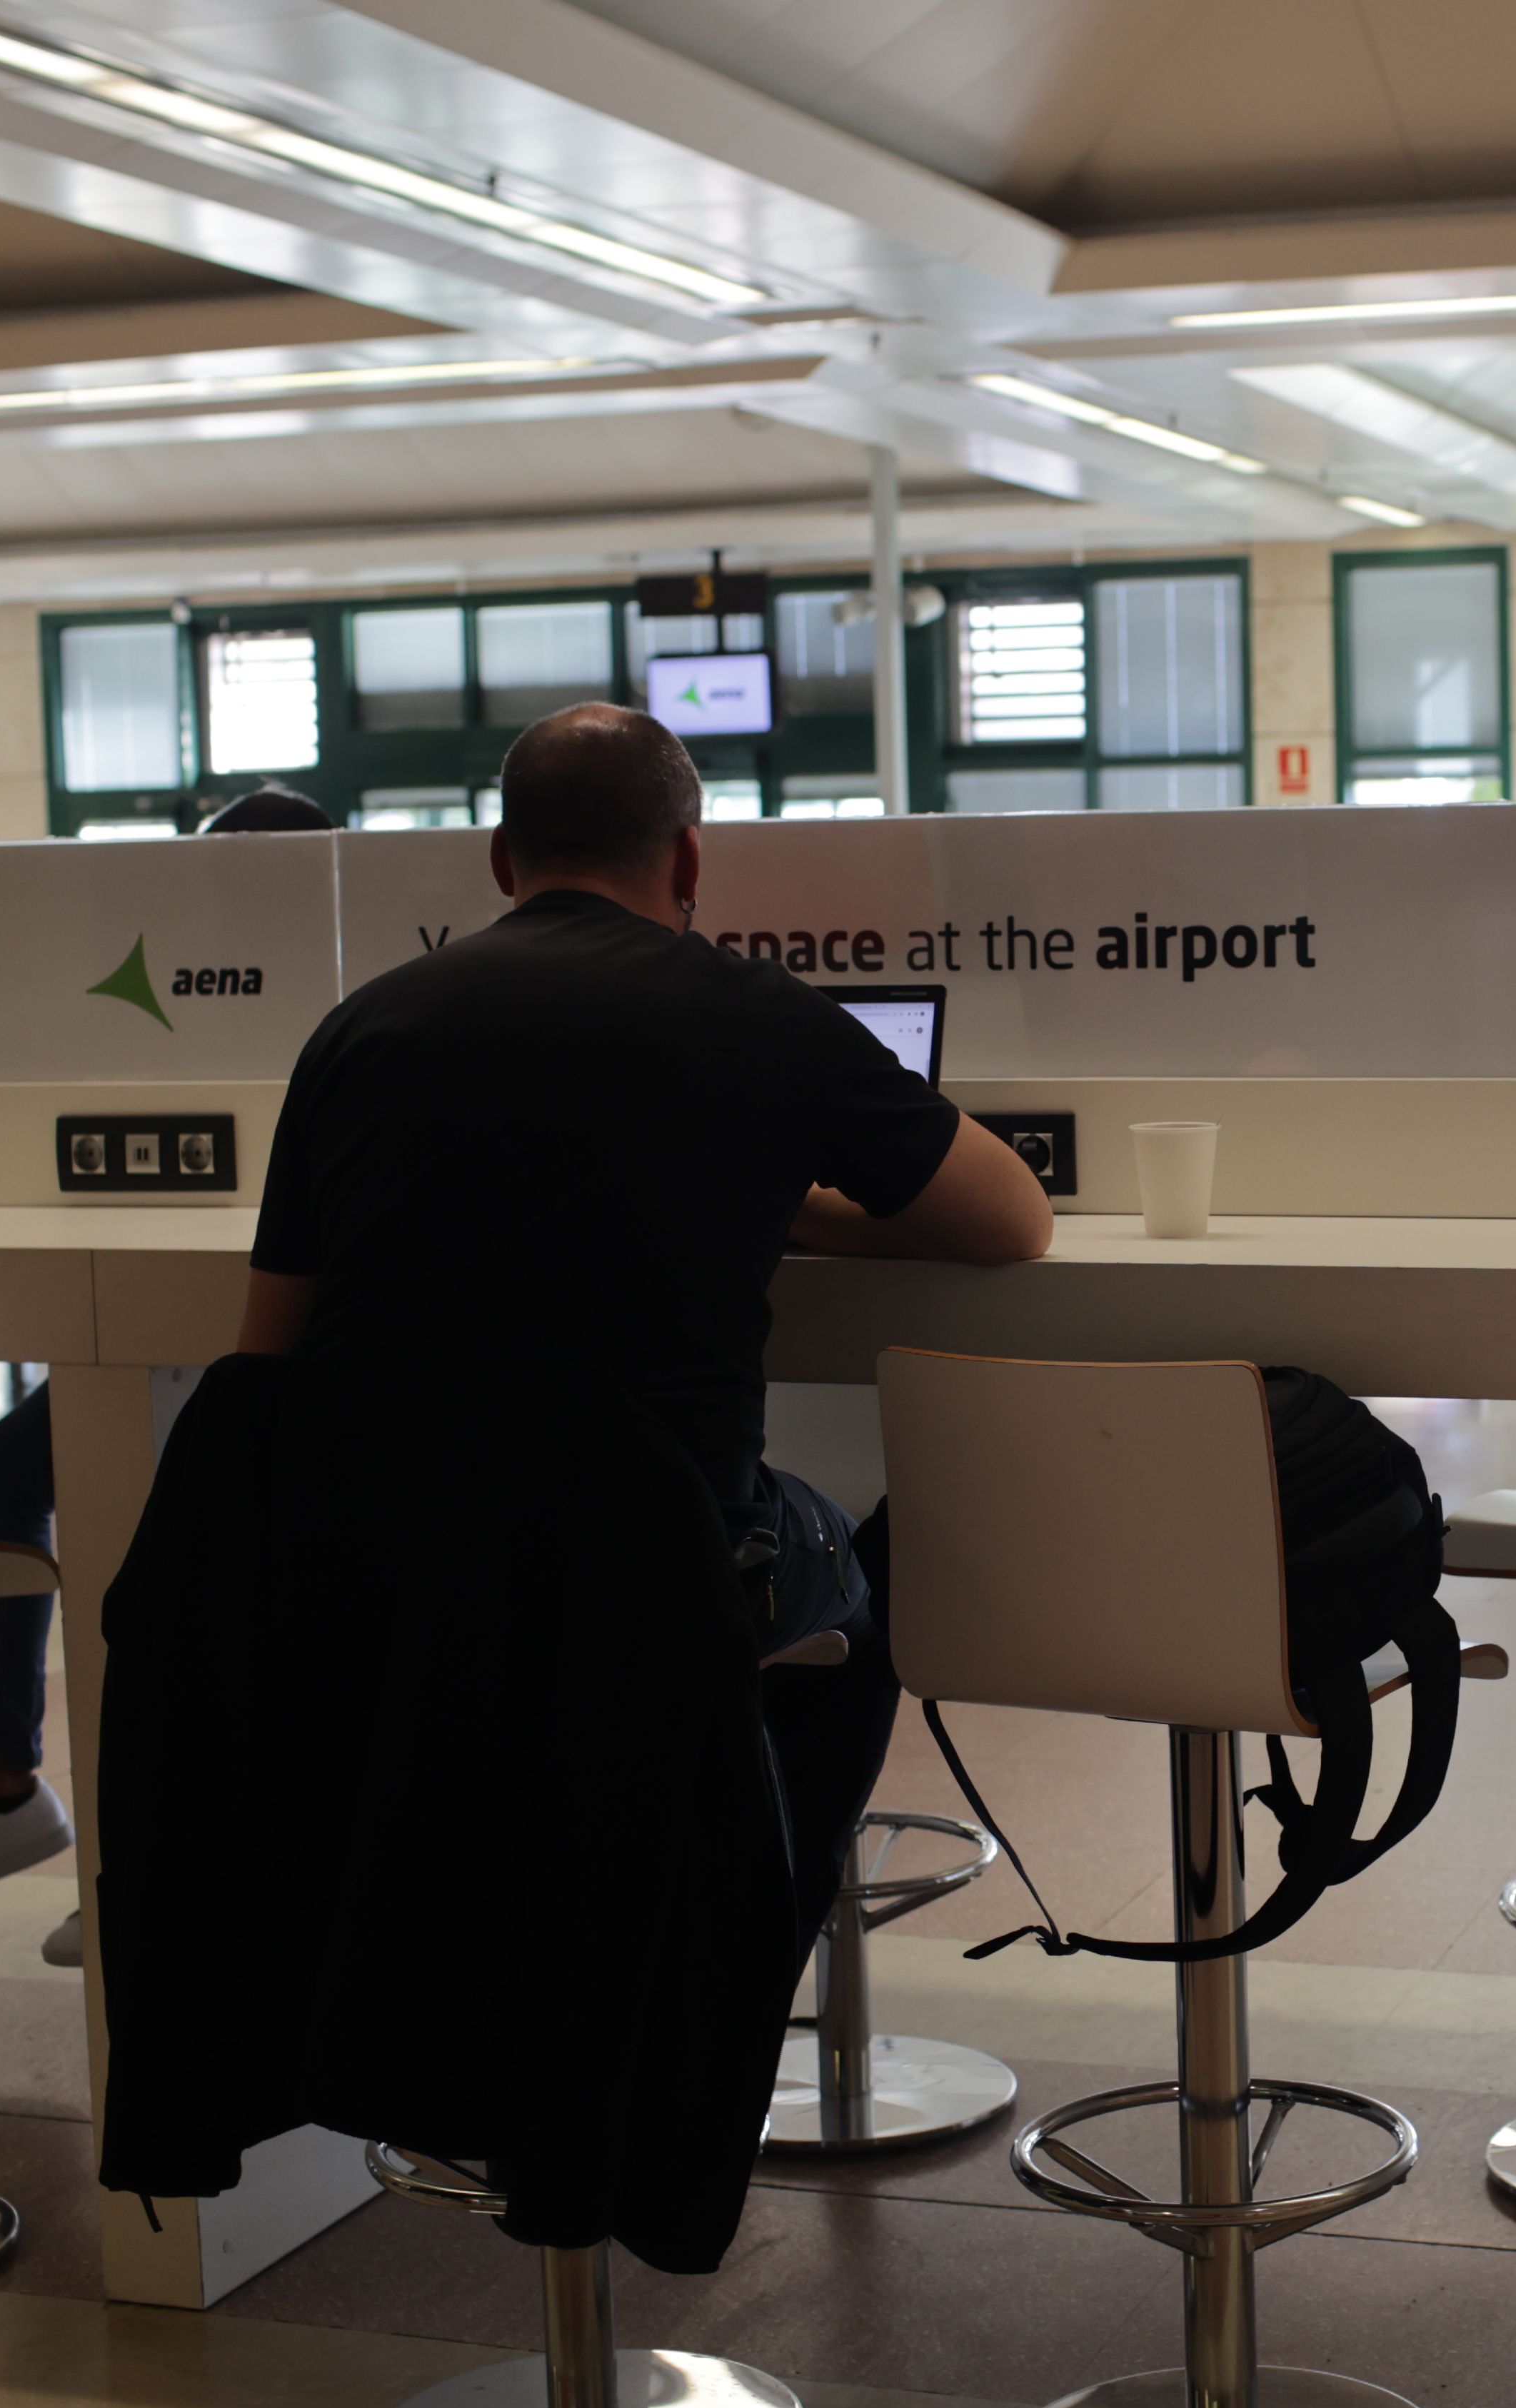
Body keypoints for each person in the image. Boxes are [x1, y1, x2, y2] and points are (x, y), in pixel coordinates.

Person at [231, 705, 1049, 1923]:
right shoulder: (757, 1015)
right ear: (688, 859)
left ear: (503, 864)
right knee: (866, 1577)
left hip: (394, 1560)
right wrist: (796, 1207)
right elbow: (1011, 1222)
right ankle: (742, 1945)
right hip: (658, 1562)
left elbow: (266, 1357)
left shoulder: (360, 1031)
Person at [0, 783, 341, 1959]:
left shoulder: (344, 997)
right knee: (8, 1479)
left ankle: (142, 1854)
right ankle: (13, 1793)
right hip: (177, 1322)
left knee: (152, 1542)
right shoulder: (190, 987)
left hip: (300, 1353)